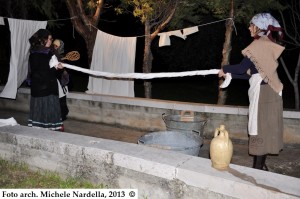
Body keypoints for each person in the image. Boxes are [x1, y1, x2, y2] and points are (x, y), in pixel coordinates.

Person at [218, 13, 285, 170]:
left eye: (251, 24)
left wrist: (224, 68)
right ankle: (261, 166)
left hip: (264, 94)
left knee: (259, 130)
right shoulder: (266, 44)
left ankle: (257, 171)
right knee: (264, 129)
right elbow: (250, 74)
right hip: (269, 92)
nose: (249, 27)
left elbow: (242, 68)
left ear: (259, 27)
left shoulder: (259, 45)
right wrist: (230, 74)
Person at [28, 29, 64, 131]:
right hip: (43, 91)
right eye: (49, 39)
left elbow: (52, 73)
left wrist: (58, 68)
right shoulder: (37, 54)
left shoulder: (47, 53)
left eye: (51, 39)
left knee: (48, 125)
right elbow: (40, 73)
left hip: (48, 90)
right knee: (42, 124)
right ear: (42, 40)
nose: (50, 41)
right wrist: (55, 68)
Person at [52, 39, 69, 123]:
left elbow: (63, 72)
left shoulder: (61, 56)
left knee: (62, 99)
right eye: (54, 45)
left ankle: (63, 115)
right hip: (54, 81)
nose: (54, 47)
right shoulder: (52, 55)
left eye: (56, 46)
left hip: (61, 82)